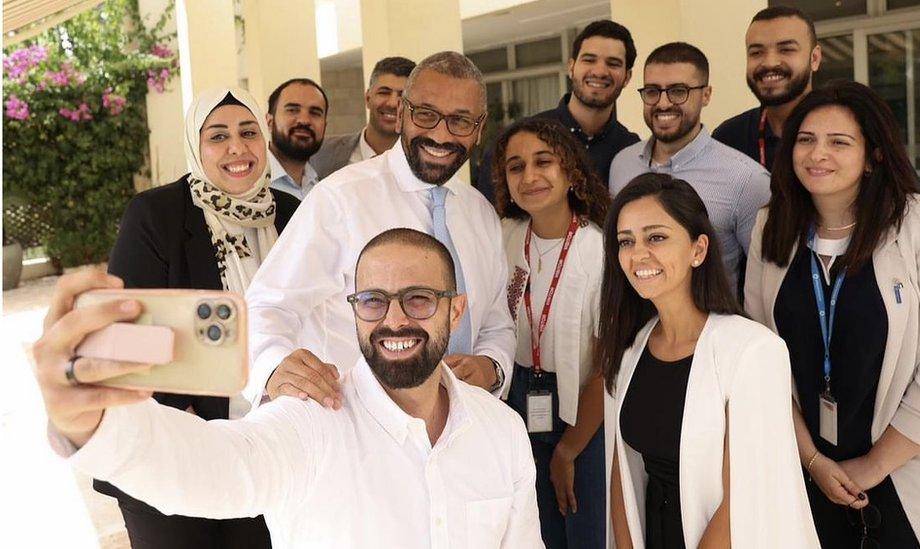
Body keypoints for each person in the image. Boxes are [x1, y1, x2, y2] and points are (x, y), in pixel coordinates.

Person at [36, 229, 545, 548]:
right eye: (372, 300)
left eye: (417, 299)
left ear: (455, 310)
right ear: (353, 309)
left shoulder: (500, 429)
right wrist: (91, 421)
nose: (393, 320)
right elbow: (213, 466)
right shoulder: (312, 419)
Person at [744, 80, 920, 549]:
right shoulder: (773, 227)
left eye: (839, 141)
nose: (816, 153)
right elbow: (761, 360)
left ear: (874, 155)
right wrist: (813, 461)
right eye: (805, 139)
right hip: (808, 476)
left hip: (910, 476)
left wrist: (869, 468)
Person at [244, 51, 515, 411]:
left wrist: (492, 367)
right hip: (355, 431)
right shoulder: (340, 198)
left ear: (480, 128)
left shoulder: (480, 213)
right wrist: (274, 366)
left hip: (459, 427)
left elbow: (497, 321)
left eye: (460, 121)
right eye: (426, 114)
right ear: (402, 113)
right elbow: (267, 303)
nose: (440, 133)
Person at [102, 87, 301, 548]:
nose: (237, 147)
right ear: (196, 144)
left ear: (264, 139)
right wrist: (184, 421)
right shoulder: (158, 215)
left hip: (268, 444)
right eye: (218, 136)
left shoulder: (291, 214)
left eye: (248, 131)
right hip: (174, 442)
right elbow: (128, 329)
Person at [599, 173, 818, 548]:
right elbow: (623, 474)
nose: (638, 254)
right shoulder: (631, 347)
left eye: (656, 237)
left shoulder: (753, 351)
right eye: (626, 241)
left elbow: (745, 500)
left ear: (698, 250)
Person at [492, 118, 610, 548]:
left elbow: (606, 364)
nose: (530, 176)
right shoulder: (504, 237)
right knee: (531, 532)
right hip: (515, 401)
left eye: (544, 162)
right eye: (515, 167)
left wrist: (569, 449)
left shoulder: (598, 248)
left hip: (583, 409)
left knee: (583, 530)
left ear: (570, 171)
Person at [608, 42, 769, 292]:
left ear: (706, 95)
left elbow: (765, 282)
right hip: (634, 325)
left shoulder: (747, 180)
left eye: (678, 91)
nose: (663, 103)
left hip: (712, 326)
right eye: (652, 91)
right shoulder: (622, 164)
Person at [476, 20, 640, 201]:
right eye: (589, 60)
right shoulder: (519, 139)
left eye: (613, 63)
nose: (600, 71)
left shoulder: (631, 150)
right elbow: (487, 219)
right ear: (571, 67)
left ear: (627, 77)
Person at [712, 6, 821, 169]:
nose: (770, 62)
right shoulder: (729, 138)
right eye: (756, 53)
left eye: (786, 50)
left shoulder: (847, 130)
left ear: (814, 58)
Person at [310, 56, 415, 179]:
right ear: (368, 98)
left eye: (402, 96)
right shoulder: (322, 153)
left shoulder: (423, 159)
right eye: (384, 92)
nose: (392, 103)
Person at [265, 78, 328, 200]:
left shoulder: (324, 188)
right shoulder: (250, 186)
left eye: (315, 113)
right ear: (269, 122)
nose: (304, 120)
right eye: (293, 110)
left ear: (325, 125)